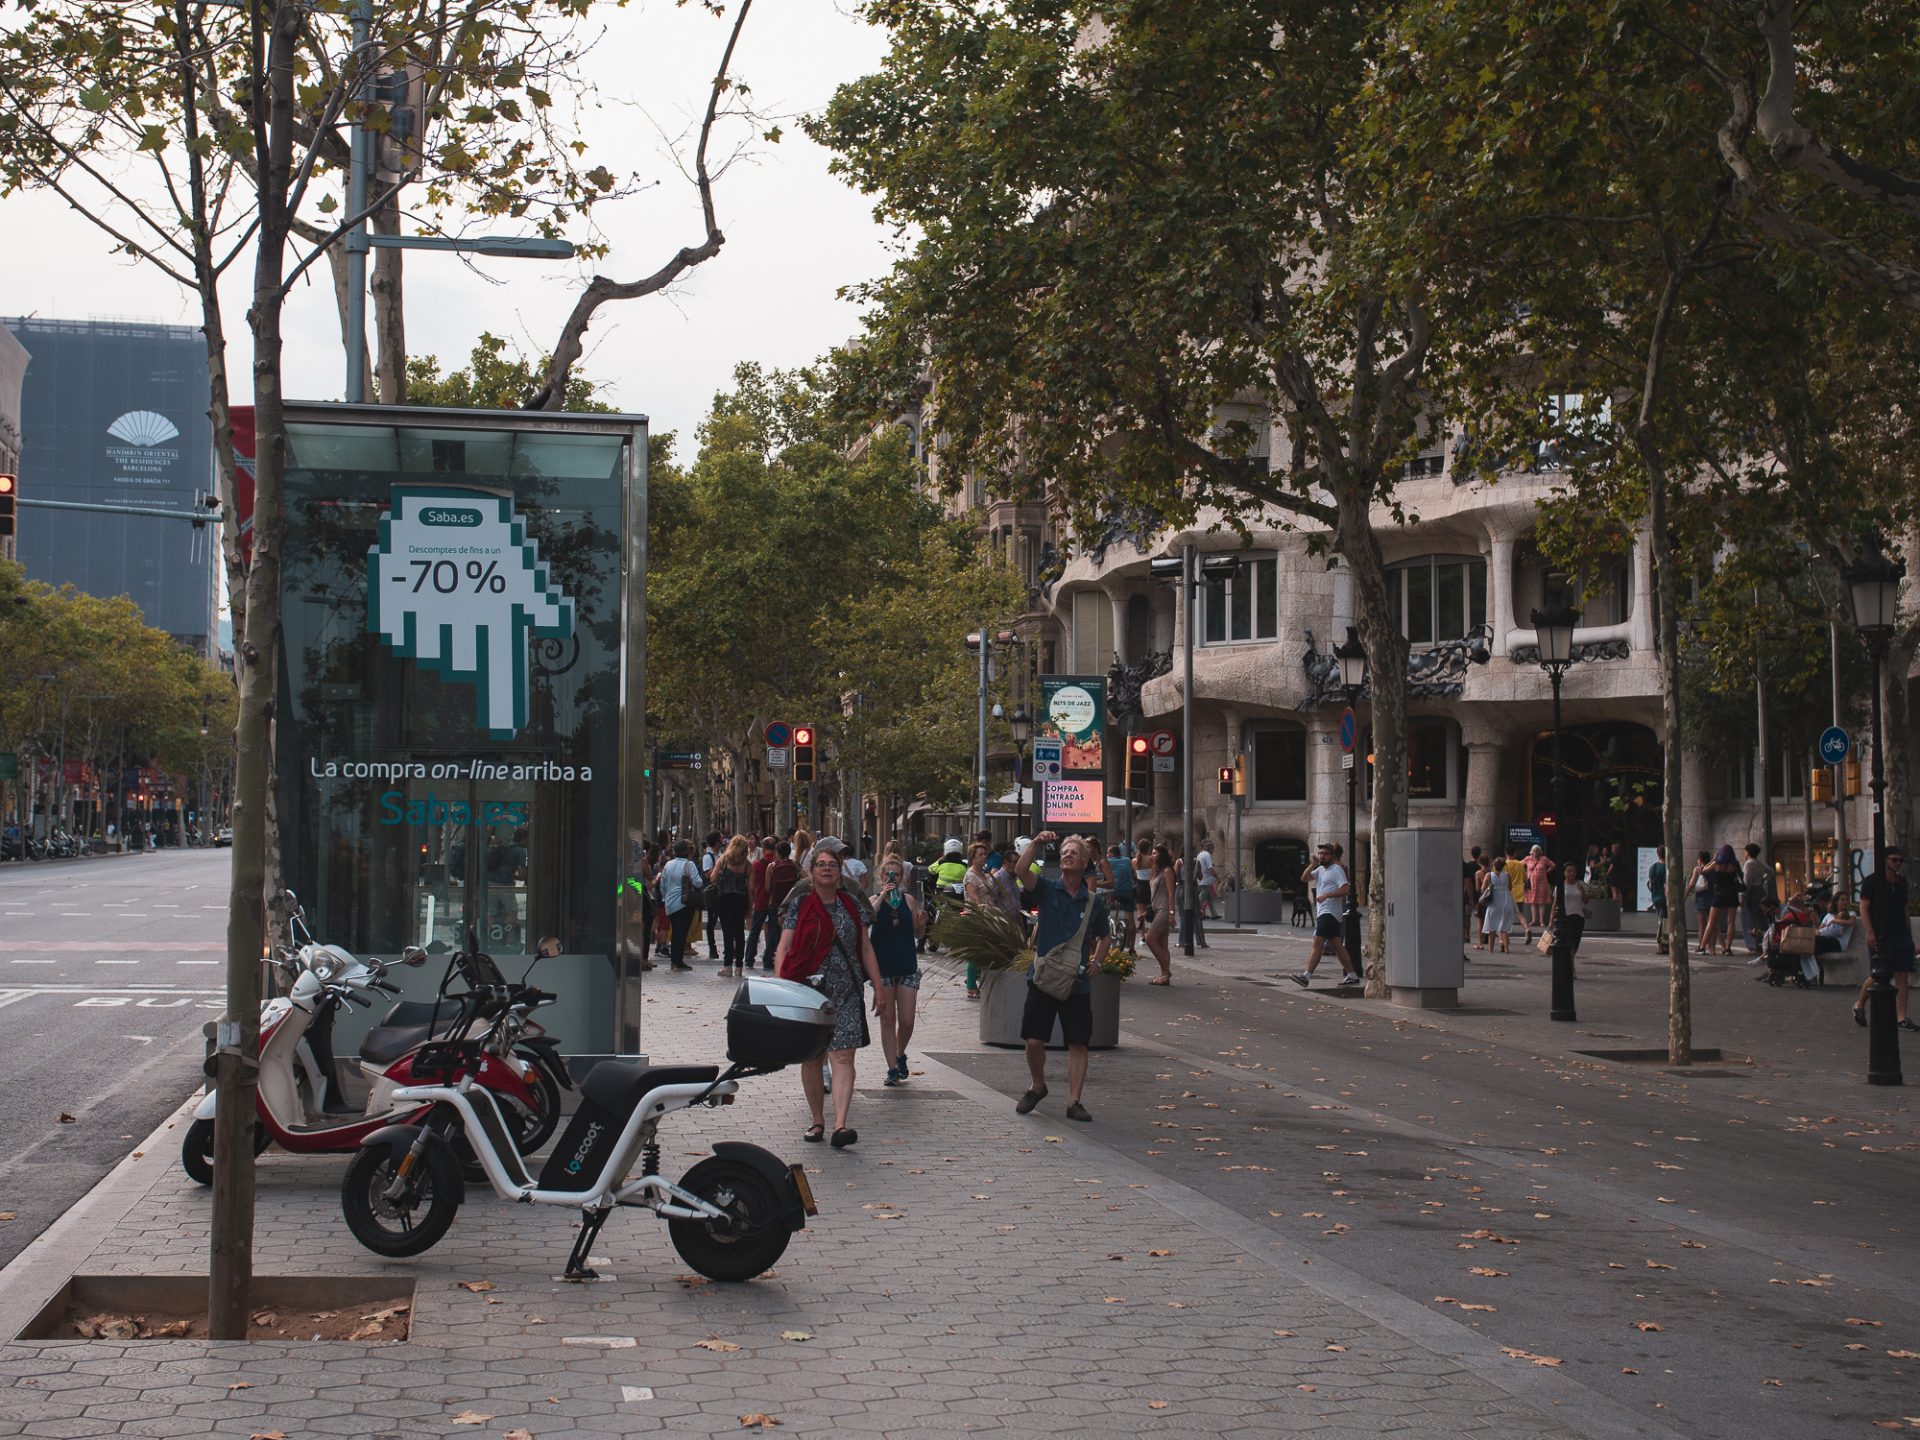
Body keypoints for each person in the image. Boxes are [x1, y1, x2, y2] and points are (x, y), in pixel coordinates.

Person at [773, 847, 887, 1148]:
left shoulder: (851, 905)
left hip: (847, 989)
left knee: (843, 1055)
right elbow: (784, 948)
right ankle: (817, 1120)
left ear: (840, 872)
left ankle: (840, 1125)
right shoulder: (799, 905)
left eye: (832, 865)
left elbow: (865, 947)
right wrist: (782, 987)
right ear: (812, 872)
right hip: (808, 989)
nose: (826, 869)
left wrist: (878, 986)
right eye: (820, 865)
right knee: (813, 1058)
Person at [1011, 831, 1110, 1122]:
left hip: (1076, 984)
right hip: (1043, 979)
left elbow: (1105, 937)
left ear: (1084, 863)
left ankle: (1074, 1101)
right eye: (1064, 851)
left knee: (1078, 1043)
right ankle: (1038, 1085)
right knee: (1033, 1041)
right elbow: (1020, 870)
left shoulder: (1093, 903)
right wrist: (1037, 844)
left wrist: (1098, 963)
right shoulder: (1046, 889)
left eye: (1074, 853)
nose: (1067, 855)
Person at [869, 855, 923, 1086]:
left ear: (903, 877)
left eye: (897, 875)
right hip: (883, 967)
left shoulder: (909, 900)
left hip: (907, 965)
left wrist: (921, 922)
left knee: (908, 1020)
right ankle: (892, 1068)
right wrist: (882, 895)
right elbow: (868, 917)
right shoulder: (873, 899)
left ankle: (900, 1054)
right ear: (881, 877)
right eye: (888, 875)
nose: (893, 878)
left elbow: (918, 935)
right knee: (888, 1019)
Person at [1855, 849, 1917, 1032]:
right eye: (1894, 860)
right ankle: (1859, 1004)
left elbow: (1905, 909)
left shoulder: (1901, 883)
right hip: (1881, 934)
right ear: (1885, 861)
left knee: (1902, 975)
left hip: (1900, 934)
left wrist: (1909, 934)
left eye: (1900, 861)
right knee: (1879, 974)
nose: (1898, 864)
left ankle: (1901, 1017)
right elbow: (1864, 908)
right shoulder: (1872, 882)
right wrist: (1870, 932)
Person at [1293, 842, 1359, 987]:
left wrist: (1327, 895)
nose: (1322, 856)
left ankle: (1306, 976)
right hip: (1324, 912)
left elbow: (1346, 889)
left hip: (1330, 912)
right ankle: (1353, 975)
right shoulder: (1320, 869)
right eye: (1321, 853)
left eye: (1325, 854)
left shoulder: (1337, 870)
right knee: (1337, 946)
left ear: (1332, 855)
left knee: (1318, 943)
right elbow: (1304, 878)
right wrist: (1312, 864)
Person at [709, 834, 753, 978]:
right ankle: (739, 966)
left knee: (727, 932)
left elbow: (713, 878)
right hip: (741, 900)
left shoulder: (723, 860)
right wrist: (750, 907)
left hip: (724, 899)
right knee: (739, 932)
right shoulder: (747, 865)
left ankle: (727, 966)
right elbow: (750, 888)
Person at [659, 839, 703, 971]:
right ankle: (677, 961)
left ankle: (675, 961)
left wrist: (665, 897)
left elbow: (663, 884)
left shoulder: (668, 864)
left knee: (676, 932)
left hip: (670, 904)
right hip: (684, 903)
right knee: (681, 933)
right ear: (688, 852)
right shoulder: (689, 865)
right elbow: (698, 883)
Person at [761, 840, 801, 969]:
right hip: (792, 903)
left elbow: (767, 887)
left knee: (773, 932)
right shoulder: (795, 865)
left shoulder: (771, 867)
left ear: (777, 852)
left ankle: (769, 959)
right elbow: (805, 878)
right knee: (792, 931)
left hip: (776, 903)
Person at [1141, 844, 1176, 984]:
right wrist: (1146, 912)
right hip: (1156, 909)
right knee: (1162, 943)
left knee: (1150, 939)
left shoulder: (1167, 871)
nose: (1152, 856)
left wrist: (1172, 913)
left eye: (1155, 853)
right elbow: (1153, 895)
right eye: (1152, 853)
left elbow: (1171, 892)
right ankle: (1164, 976)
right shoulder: (1155, 871)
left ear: (1161, 856)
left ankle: (1166, 972)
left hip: (1164, 910)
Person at [747, 835, 778, 970]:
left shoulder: (756, 865)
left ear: (763, 848)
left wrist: (751, 901)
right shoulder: (778, 865)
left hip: (760, 901)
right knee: (772, 931)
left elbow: (752, 886)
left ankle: (749, 959)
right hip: (775, 902)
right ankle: (768, 958)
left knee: (754, 931)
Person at [1706, 844, 1743, 956]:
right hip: (1732, 894)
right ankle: (1728, 948)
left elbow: (1703, 870)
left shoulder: (1716, 863)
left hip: (1719, 894)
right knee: (1730, 922)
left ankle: (1702, 947)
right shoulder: (1735, 864)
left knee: (1712, 922)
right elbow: (1741, 876)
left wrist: (1714, 858)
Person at [1480, 855, 1519, 953]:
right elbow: (1510, 887)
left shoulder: (1489, 875)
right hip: (1506, 900)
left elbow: (1482, 889)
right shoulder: (1507, 875)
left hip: (1494, 901)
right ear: (1503, 866)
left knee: (1492, 927)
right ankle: (1506, 948)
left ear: (1494, 865)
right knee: (1504, 928)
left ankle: (1491, 950)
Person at [1740, 843, 1773, 956]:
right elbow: (1771, 872)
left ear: (1748, 852)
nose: (1744, 853)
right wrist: (1763, 880)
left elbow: (1746, 881)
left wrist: (1743, 895)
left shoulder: (1749, 864)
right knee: (1760, 917)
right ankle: (1763, 942)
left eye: (1745, 851)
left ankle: (1754, 944)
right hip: (1760, 890)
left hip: (1751, 892)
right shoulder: (1760, 863)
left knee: (1750, 918)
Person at [1107, 842, 1137, 949]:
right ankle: (1132, 948)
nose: (1107, 855)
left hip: (1115, 892)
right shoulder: (1127, 860)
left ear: (1111, 853)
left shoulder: (1108, 862)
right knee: (1131, 920)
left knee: (1105, 910)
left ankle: (1108, 928)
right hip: (1128, 891)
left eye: (1108, 852)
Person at [1522, 845, 1555, 941]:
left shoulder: (1543, 859)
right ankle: (1534, 920)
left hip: (1542, 883)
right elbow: (1519, 864)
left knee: (1541, 902)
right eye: (1534, 850)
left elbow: (1553, 865)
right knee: (1533, 902)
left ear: (1540, 851)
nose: (1535, 852)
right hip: (1532, 884)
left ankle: (1541, 921)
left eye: (1537, 850)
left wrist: (1546, 871)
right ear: (1531, 851)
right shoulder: (1528, 859)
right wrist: (1526, 873)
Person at [700, 830, 723, 960]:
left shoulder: (720, 854)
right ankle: (712, 948)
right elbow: (709, 875)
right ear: (716, 841)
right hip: (712, 893)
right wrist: (719, 869)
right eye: (721, 838)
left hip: (722, 892)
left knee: (725, 920)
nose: (723, 839)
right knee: (712, 921)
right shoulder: (707, 857)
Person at [1648, 845, 1669, 952]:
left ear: (1657, 853)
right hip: (1664, 898)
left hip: (1656, 898)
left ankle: (1664, 946)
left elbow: (1650, 884)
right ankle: (1660, 946)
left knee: (1663, 921)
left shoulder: (1653, 867)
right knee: (1664, 922)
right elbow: (1666, 886)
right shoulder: (1667, 868)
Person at [1462, 845, 1484, 943]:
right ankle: (1467, 934)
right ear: (1479, 854)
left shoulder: (1467, 865)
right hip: (1474, 894)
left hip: (1464, 893)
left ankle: (1464, 934)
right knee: (1468, 915)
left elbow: (1466, 882)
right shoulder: (1479, 868)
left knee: (1463, 915)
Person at [1195, 841, 1216, 920]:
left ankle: (1214, 914)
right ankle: (1196, 910)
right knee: (1202, 897)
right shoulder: (1207, 855)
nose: (1213, 851)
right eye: (1213, 849)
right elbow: (1211, 868)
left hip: (1200, 880)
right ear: (1210, 848)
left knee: (1209, 897)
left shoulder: (1200, 854)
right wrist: (1216, 877)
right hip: (1206, 880)